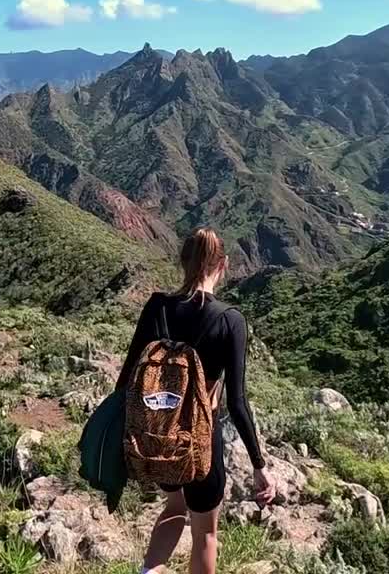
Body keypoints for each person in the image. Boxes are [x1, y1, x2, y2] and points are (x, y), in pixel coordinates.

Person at [115, 227, 275, 574]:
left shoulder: (157, 306)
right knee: (205, 535)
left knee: (174, 508)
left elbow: (127, 378)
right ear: (224, 265)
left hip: (160, 435)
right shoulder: (230, 320)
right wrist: (259, 466)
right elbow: (238, 403)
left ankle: (150, 571)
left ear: (183, 262)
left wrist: (117, 434)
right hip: (202, 443)